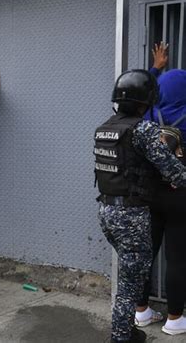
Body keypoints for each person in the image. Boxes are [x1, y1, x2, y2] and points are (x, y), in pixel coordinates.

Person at [94, 69, 186, 343]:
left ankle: (132, 325)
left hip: (107, 211)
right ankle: (121, 336)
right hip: (131, 215)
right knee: (128, 284)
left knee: (130, 274)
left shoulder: (106, 127)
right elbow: (173, 171)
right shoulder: (142, 129)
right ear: (145, 100)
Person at [135, 42, 186, 336]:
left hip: (151, 193)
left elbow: (137, 92)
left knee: (146, 253)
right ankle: (175, 319)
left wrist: (155, 69)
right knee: (177, 258)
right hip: (181, 195)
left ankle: (141, 312)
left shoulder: (149, 116)